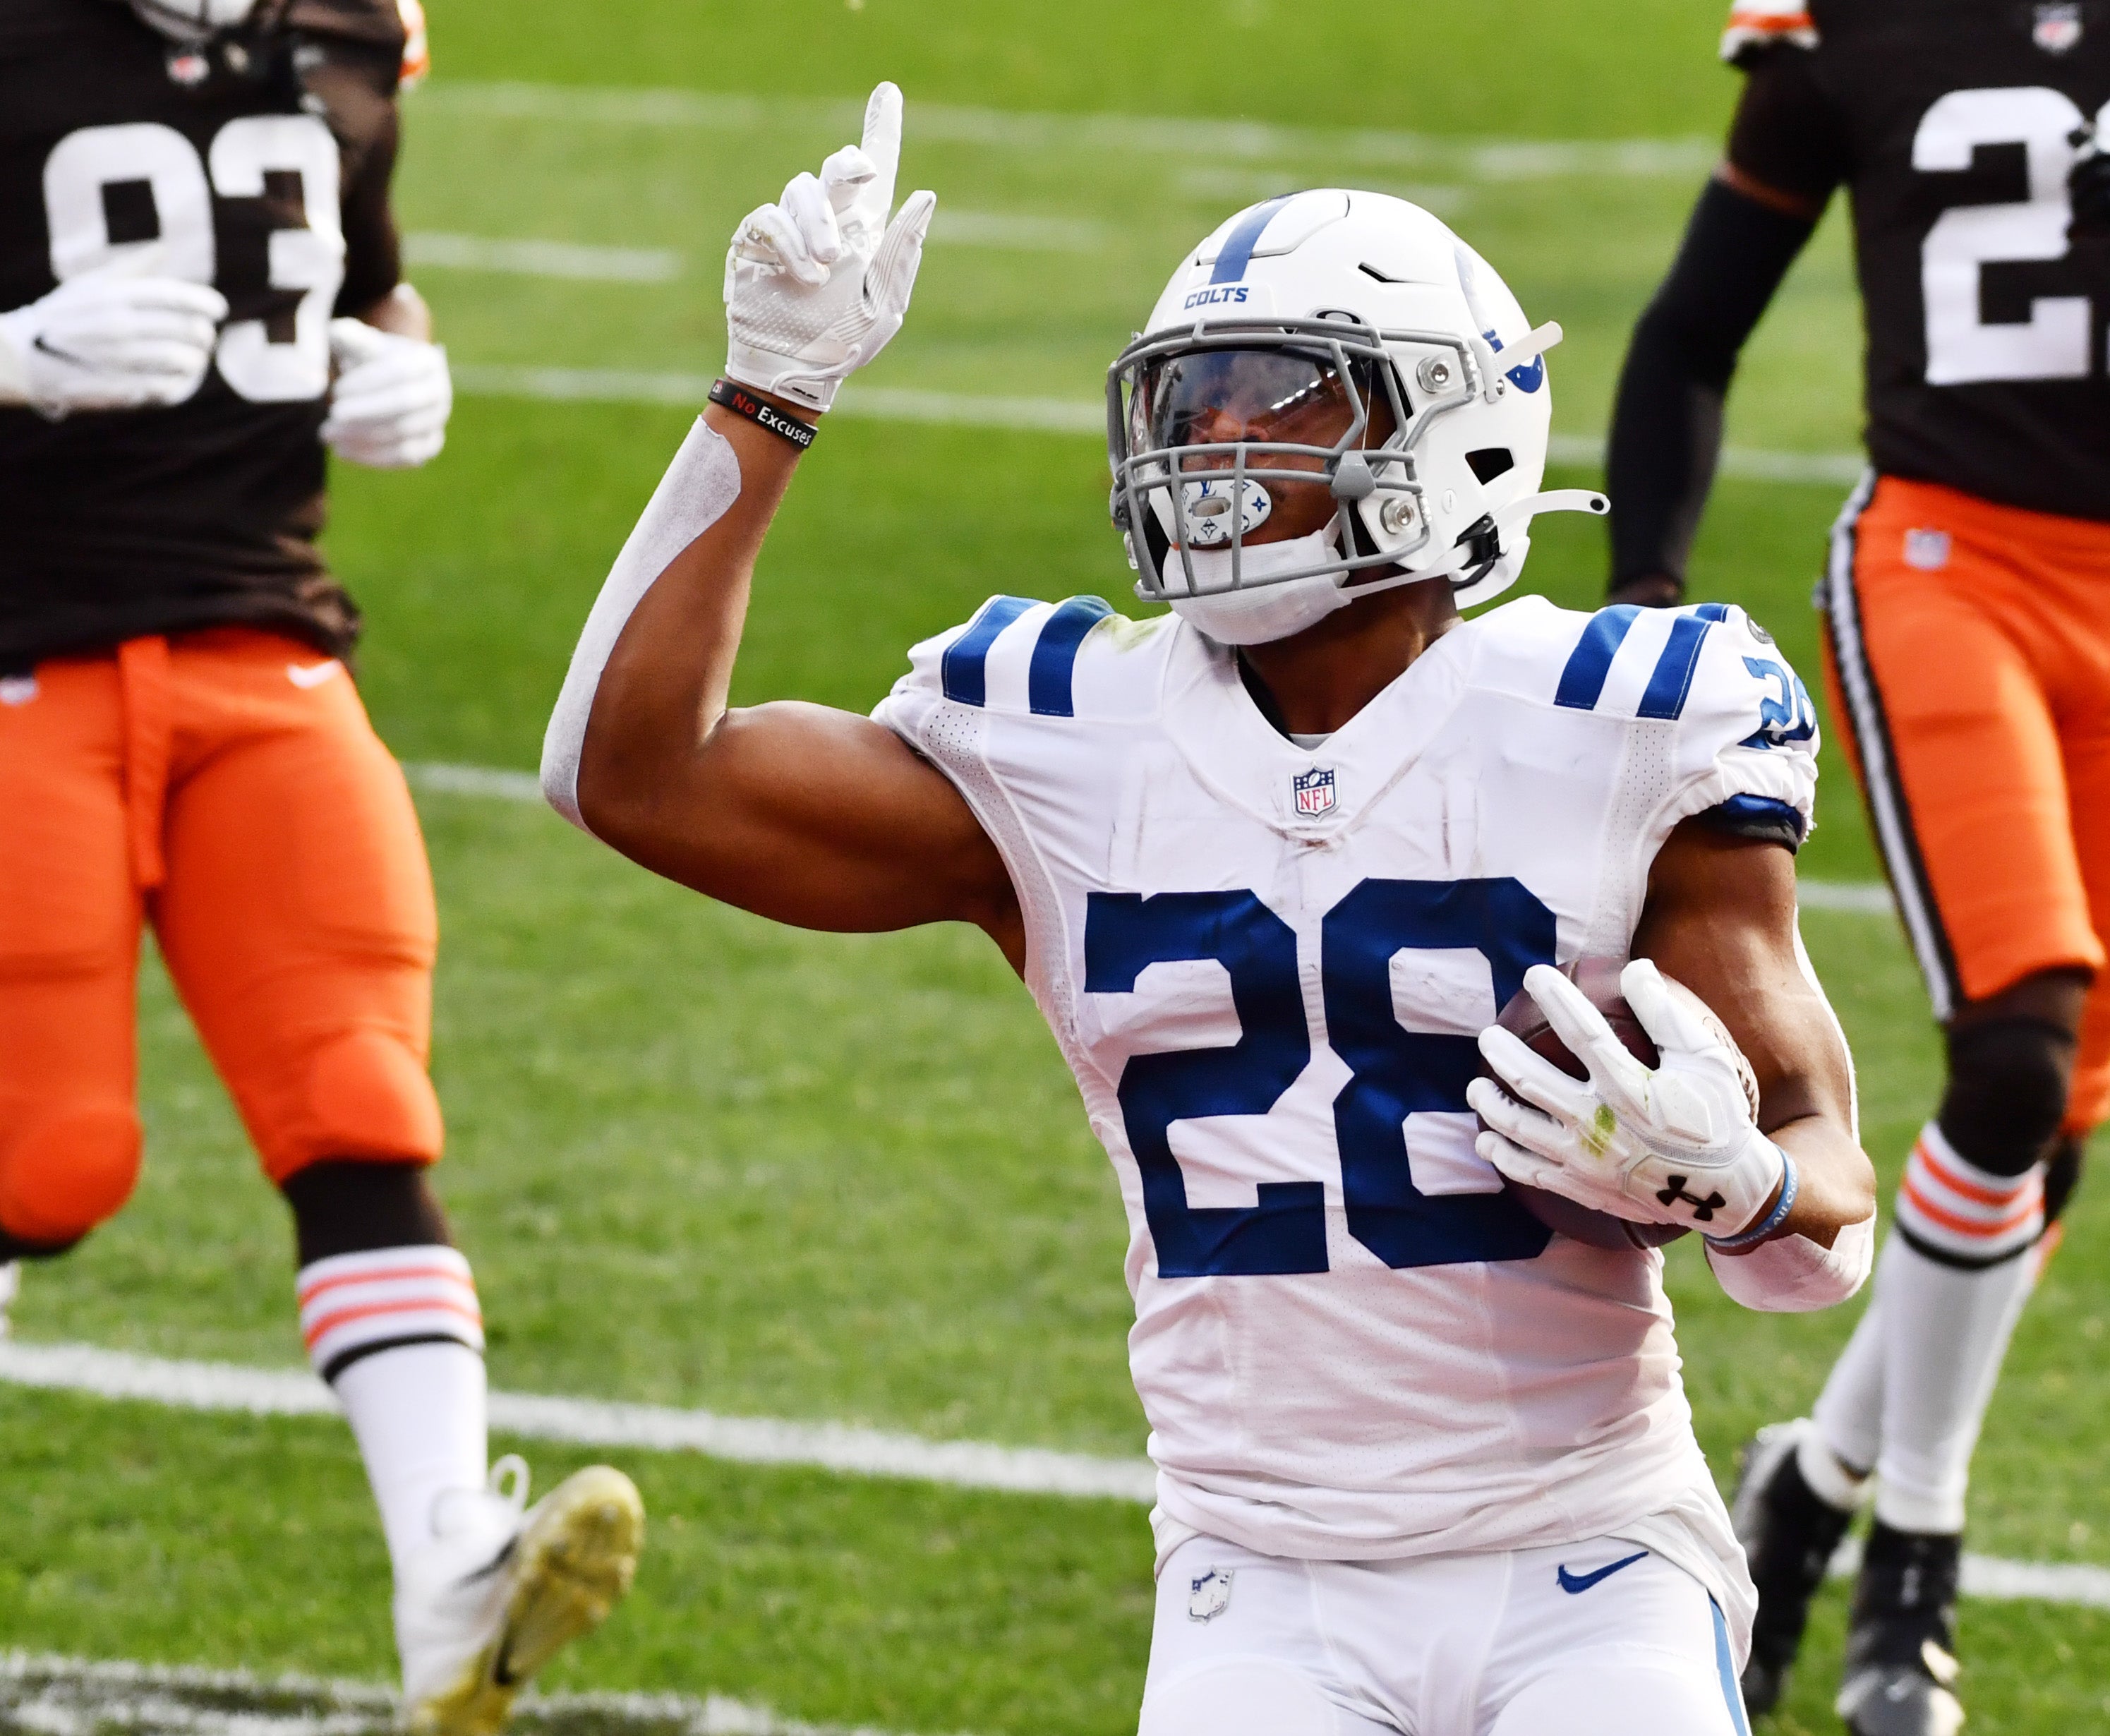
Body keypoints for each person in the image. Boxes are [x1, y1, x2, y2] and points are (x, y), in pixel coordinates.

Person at [544, 84, 1880, 1736]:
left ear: (1451, 436)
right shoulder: (1064, 736)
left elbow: (1823, 1227)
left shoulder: (1619, 723)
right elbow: (632, 776)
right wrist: (770, 395)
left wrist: (1745, 1183)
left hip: (1591, 1554)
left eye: (1277, 400)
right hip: (1261, 1577)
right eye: (1195, 398)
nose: (1213, 448)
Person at [1600, 0, 2110, 1728]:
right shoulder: (1853, 29)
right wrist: (1642, 610)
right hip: (1940, 570)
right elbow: (1691, 331)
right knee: (2017, 1055)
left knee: (2056, 1136)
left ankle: (1812, 1483)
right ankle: (1919, 1554)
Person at [0, 1, 640, 1728]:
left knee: (359, 1099)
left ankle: (449, 1581)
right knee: (41, 1157)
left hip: (265, 649)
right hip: (17, 656)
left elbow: (369, 277)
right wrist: (11, 352)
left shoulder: (351, 32)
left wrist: (403, 355)